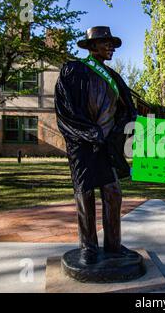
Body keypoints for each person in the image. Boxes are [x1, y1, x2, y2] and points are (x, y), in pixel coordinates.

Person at [55, 26, 137, 265]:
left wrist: (123, 130)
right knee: (85, 194)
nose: (111, 46)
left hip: (106, 145)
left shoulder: (115, 77)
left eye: (112, 43)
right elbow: (64, 110)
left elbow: (126, 112)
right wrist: (89, 133)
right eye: (105, 42)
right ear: (92, 46)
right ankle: (88, 247)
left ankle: (113, 245)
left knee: (113, 192)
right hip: (82, 143)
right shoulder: (74, 70)